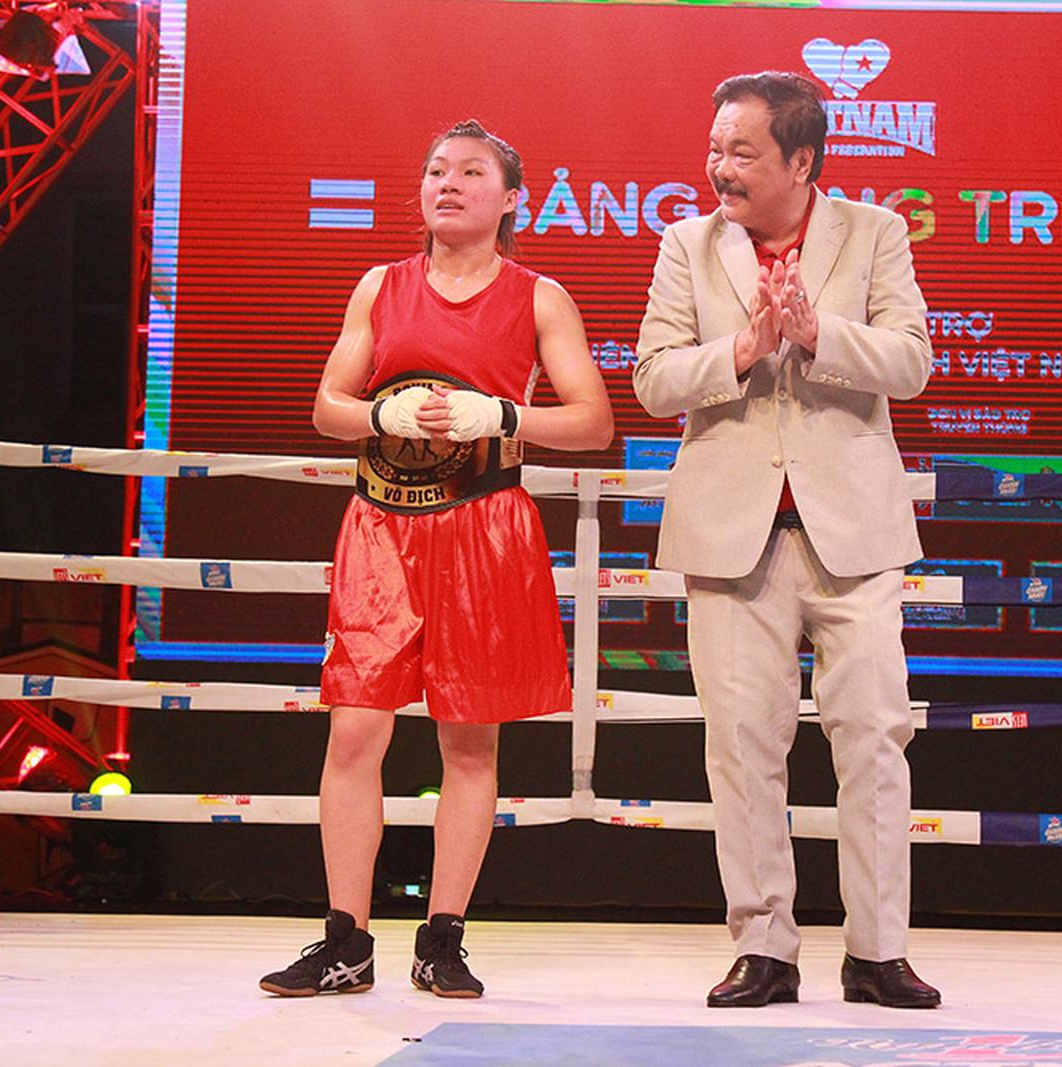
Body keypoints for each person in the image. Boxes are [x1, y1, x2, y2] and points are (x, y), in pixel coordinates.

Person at [260, 119, 613, 999]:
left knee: (469, 740)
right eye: (434, 170)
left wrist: (505, 416)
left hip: (484, 524)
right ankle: (344, 940)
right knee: (354, 728)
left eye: (470, 172)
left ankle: (443, 937)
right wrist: (379, 414)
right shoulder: (380, 286)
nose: (447, 183)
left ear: (512, 198)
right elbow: (327, 405)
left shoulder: (540, 298)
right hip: (380, 525)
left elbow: (594, 422)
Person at [634, 72, 939, 1009]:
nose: (718, 167)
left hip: (853, 535)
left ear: (801, 161)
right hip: (732, 538)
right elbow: (652, 378)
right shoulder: (687, 245)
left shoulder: (875, 232)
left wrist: (817, 335)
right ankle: (763, 947)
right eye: (714, 148)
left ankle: (877, 951)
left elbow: (913, 362)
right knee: (742, 747)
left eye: (741, 151)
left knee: (874, 740)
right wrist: (742, 349)